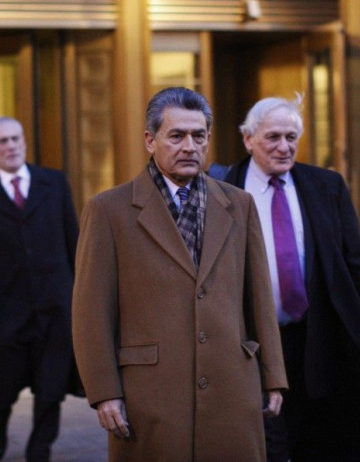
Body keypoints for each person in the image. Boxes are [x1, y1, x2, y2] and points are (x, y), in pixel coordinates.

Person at [72, 87, 288, 462]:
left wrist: (273, 377)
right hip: (150, 395)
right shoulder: (109, 210)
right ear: (149, 140)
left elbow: (259, 301)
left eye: (198, 135)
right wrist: (104, 391)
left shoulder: (239, 204)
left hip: (231, 387)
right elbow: (91, 312)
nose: (189, 146)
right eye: (177, 135)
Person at [224, 95, 360, 461]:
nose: (284, 147)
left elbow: (356, 261)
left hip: (316, 336)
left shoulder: (325, 186)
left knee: (322, 435)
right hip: (252, 343)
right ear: (248, 139)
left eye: (291, 137)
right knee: (266, 438)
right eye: (273, 137)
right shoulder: (222, 192)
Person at [0, 116, 80, 461]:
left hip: (55, 301)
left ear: (24, 142)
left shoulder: (53, 183)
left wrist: (83, 290)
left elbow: (74, 238)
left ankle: (40, 448)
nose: (10, 146)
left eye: (16, 139)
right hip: (7, 305)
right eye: (2, 142)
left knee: (51, 383)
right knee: (3, 381)